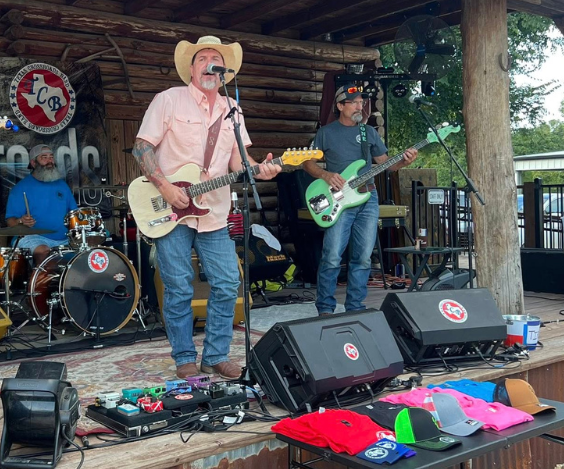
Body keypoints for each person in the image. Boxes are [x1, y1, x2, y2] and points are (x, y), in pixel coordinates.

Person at [134, 35, 280, 380]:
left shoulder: (233, 109)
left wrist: (262, 169)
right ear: (191, 69)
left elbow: (238, 162)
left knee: (228, 283)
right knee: (179, 286)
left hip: (213, 211)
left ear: (225, 72)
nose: (210, 64)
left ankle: (215, 355)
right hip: (171, 210)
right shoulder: (169, 99)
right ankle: (184, 356)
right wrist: (165, 187)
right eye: (202, 58)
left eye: (216, 60)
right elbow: (142, 147)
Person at [302, 84, 417, 315]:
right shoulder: (326, 133)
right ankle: (325, 308)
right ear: (340, 106)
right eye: (354, 102)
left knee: (363, 258)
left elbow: (387, 164)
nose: (359, 106)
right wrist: (326, 175)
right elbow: (307, 163)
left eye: (361, 102)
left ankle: (355, 307)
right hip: (339, 199)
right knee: (332, 256)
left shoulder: (368, 132)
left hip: (368, 197)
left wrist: (404, 161)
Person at [5, 144, 76, 264]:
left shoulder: (62, 185)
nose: (50, 161)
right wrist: (20, 221)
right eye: (44, 157)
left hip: (65, 239)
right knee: (43, 251)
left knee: (88, 248)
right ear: (33, 163)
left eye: (51, 157)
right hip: (34, 237)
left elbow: (74, 213)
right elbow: (10, 221)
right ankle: (39, 276)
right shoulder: (21, 188)